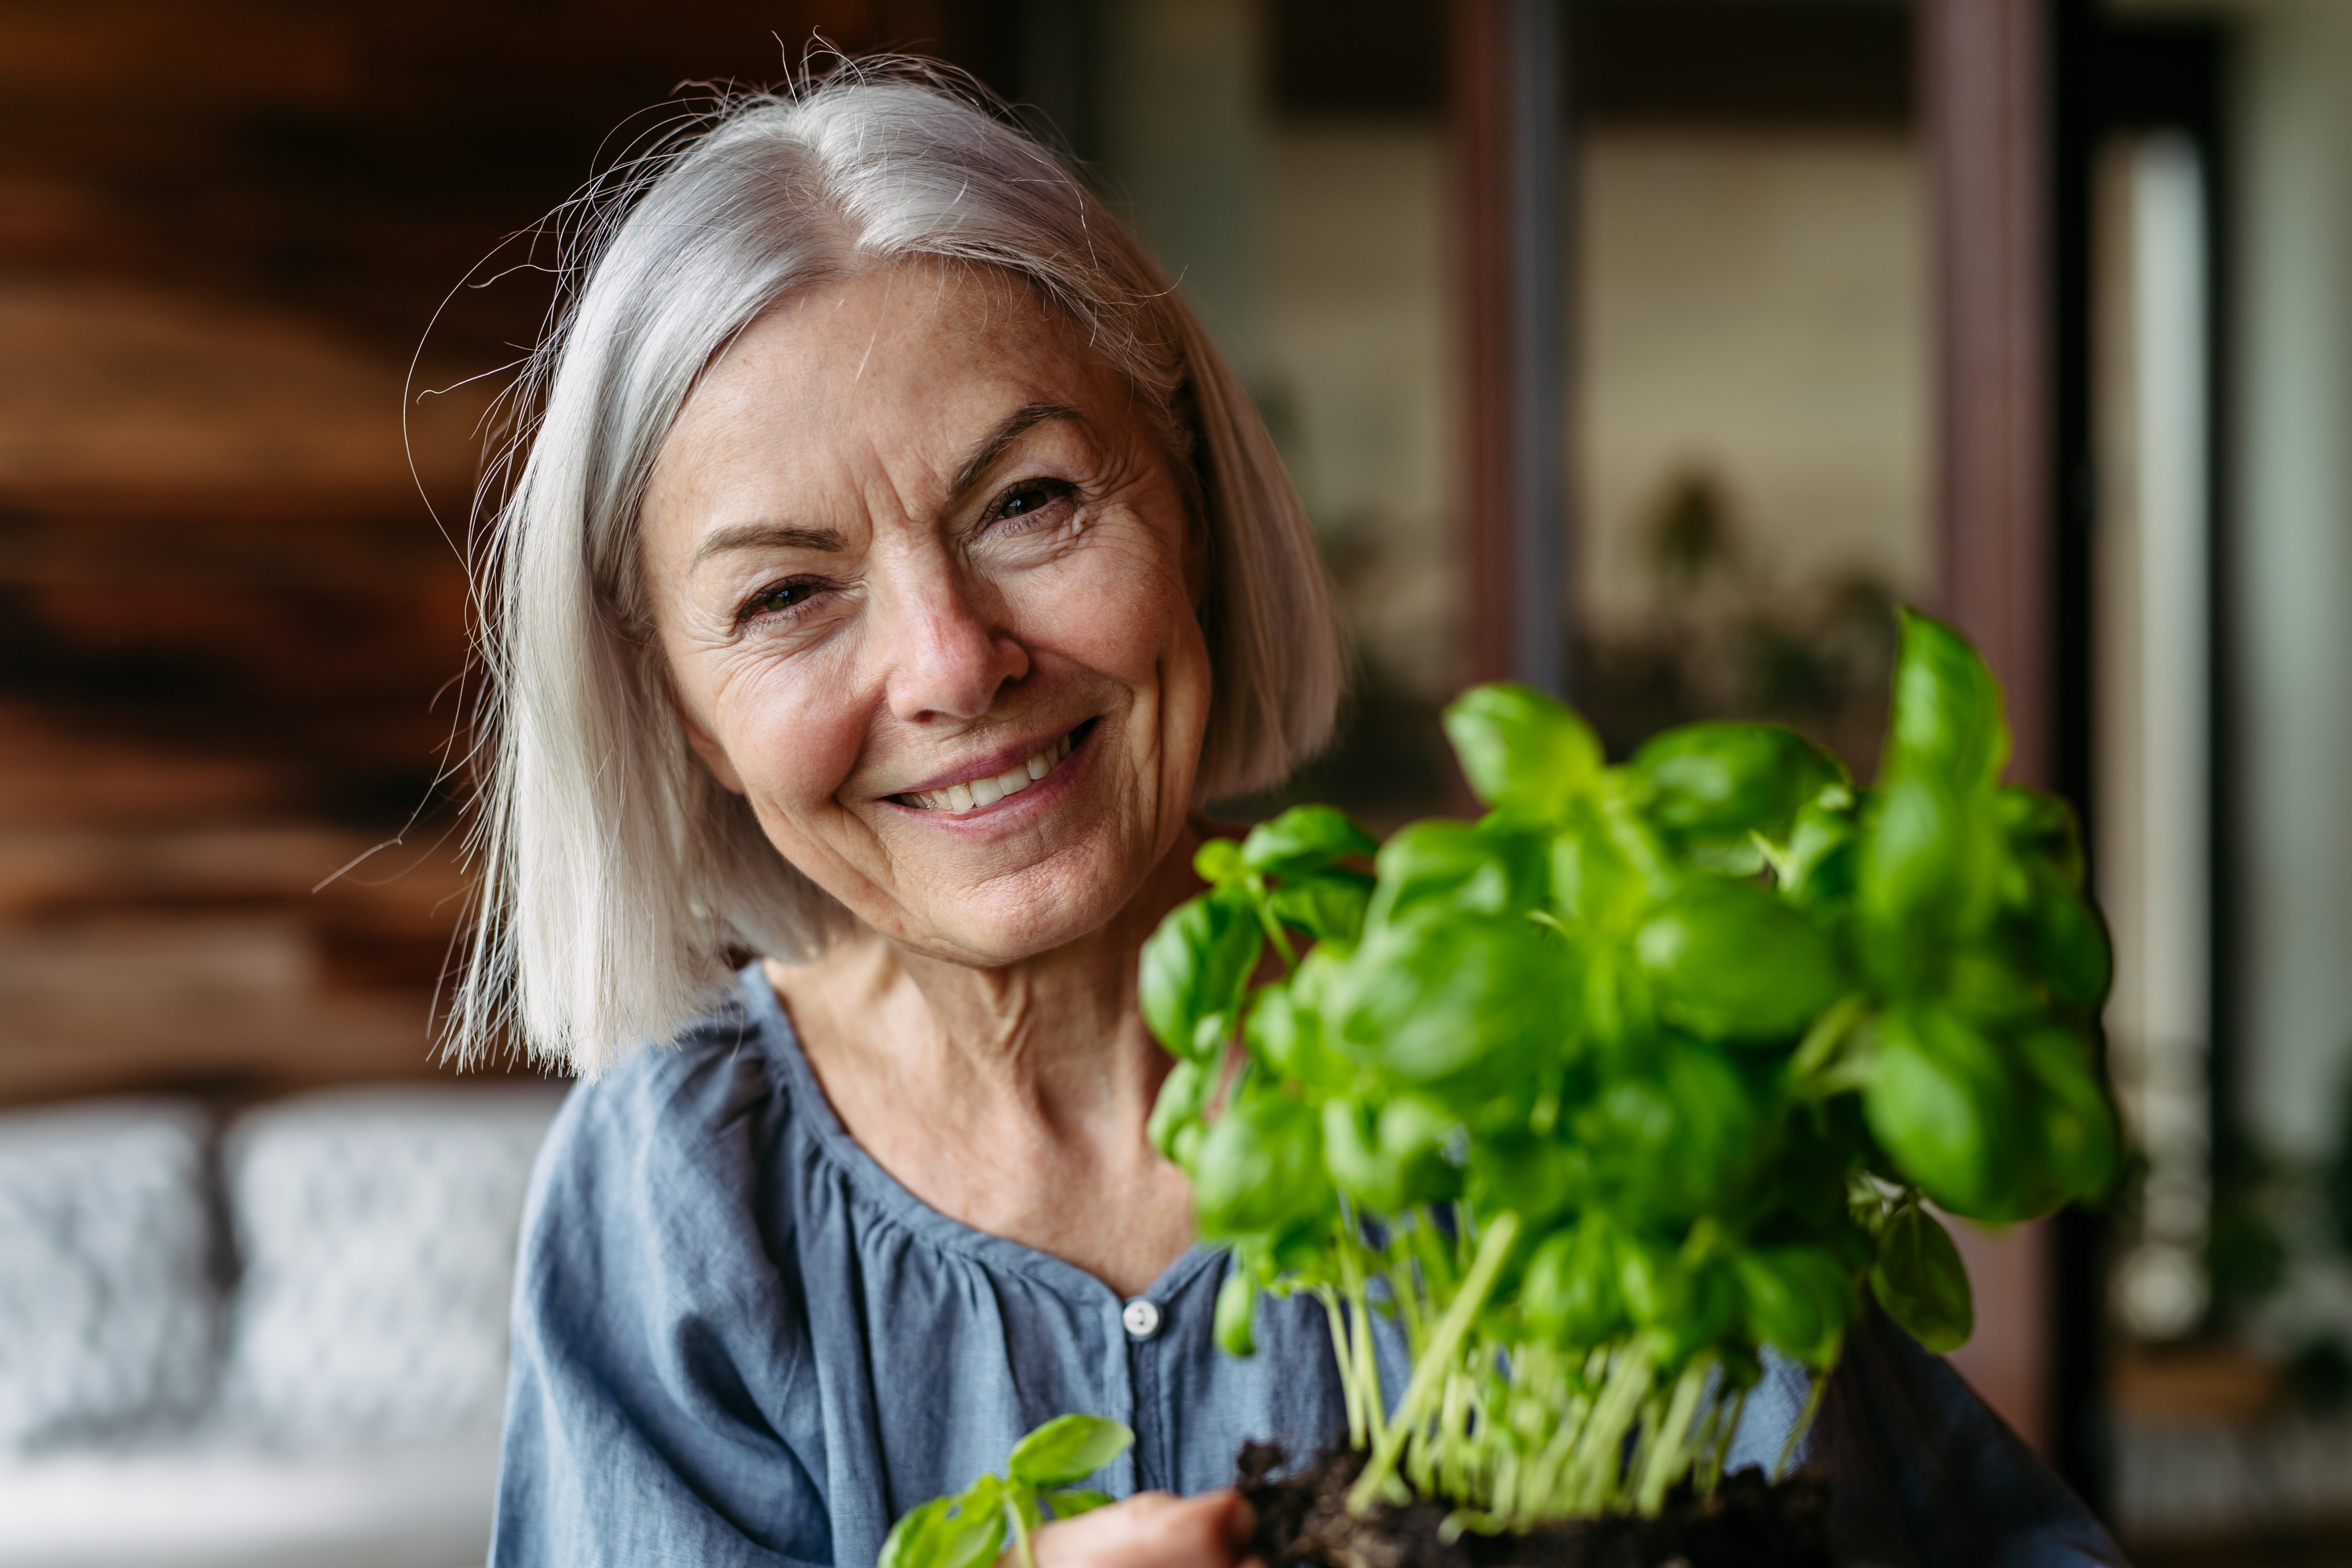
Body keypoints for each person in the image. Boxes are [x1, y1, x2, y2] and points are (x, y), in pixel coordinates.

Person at [463, 60, 2125, 1568]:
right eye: (787, 596)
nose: (953, 664)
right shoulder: (679, 1206)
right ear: (670, 703)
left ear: (1185, 493)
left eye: (1031, 501)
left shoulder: (1563, 1079)